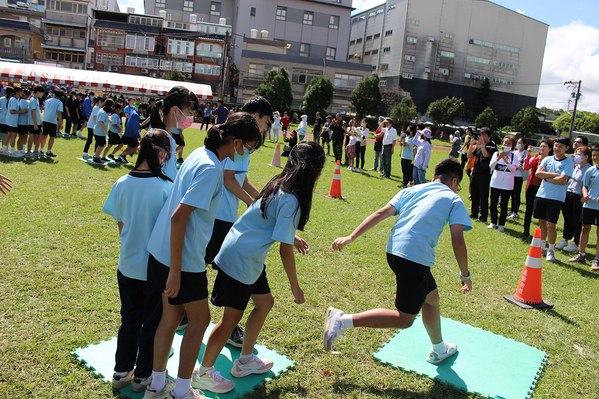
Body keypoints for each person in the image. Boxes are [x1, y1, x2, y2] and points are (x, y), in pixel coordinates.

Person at [143, 113, 261, 399]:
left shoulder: (201, 153)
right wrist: (175, 270)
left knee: (170, 318)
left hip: (162, 251)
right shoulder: (210, 168)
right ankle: (182, 391)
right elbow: (179, 217)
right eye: (248, 147)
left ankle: (156, 386)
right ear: (235, 142)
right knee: (200, 321)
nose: (246, 154)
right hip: (181, 260)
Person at [193, 142, 324, 394]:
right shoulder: (292, 199)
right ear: (312, 172)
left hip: (245, 253)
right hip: (242, 258)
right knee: (230, 320)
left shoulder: (278, 184)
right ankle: (204, 373)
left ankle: (244, 361)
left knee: (265, 303)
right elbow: (284, 251)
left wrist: (292, 236)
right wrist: (295, 287)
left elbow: (268, 219)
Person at [324, 158, 472, 363]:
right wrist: (465, 274)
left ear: (434, 176)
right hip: (414, 259)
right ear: (454, 181)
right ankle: (342, 321)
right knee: (404, 319)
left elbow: (381, 213)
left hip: (394, 252)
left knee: (432, 298)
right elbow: (458, 240)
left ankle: (439, 349)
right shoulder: (454, 199)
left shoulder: (411, 190)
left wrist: (351, 237)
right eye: (459, 186)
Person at [102, 130, 174, 393]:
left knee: (130, 319)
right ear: (162, 153)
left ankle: (121, 372)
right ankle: (143, 376)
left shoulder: (121, 182)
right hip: (155, 268)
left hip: (128, 264)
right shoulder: (167, 187)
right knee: (152, 324)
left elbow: (121, 224)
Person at [202, 96, 272, 349]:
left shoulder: (232, 131)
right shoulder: (240, 137)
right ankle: (229, 328)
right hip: (219, 215)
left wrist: (262, 199)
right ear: (254, 116)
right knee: (229, 272)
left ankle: (187, 315)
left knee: (203, 264)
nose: (265, 129)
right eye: (265, 122)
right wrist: (254, 205)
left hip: (219, 213)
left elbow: (240, 179)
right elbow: (230, 179)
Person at [534, 136, 574, 262]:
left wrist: (546, 177)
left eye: (561, 146)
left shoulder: (568, 163)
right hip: (542, 194)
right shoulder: (547, 159)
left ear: (567, 148)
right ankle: (542, 247)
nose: (557, 148)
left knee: (551, 224)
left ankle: (551, 250)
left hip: (556, 198)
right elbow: (537, 174)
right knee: (542, 222)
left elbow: (563, 180)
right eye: (556, 146)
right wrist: (555, 175)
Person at [570, 143, 599, 270]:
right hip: (588, 206)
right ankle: (581, 254)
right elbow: (585, 185)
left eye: (598, 155)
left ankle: (597, 259)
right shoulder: (590, 170)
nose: (596, 157)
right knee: (584, 228)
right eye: (594, 155)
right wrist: (585, 194)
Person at [557, 145, 591, 253]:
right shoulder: (575, 166)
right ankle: (565, 238)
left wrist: (583, 197)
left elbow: (587, 185)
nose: (576, 156)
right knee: (567, 217)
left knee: (577, 219)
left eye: (580, 154)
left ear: (586, 157)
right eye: (576, 153)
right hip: (569, 193)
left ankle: (575, 242)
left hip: (579, 196)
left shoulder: (588, 169)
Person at [488, 135, 519, 231]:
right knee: (493, 203)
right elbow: (491, 166)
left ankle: (501, 224)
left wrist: (507, 161)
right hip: (495, 182)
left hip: (507, 184)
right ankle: (493, 222)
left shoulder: (514, 156)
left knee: (504, 204)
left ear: (512, 145)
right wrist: (498, 159)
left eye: (509, 143)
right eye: (505, 143)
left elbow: (513, 170)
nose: (506, 145)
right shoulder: (496, 154)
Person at [522, 140, 552, 239]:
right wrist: (528, 155)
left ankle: (541, 234)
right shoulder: (536, 158)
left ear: (550, 149)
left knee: (541, 213)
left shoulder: (551, 161)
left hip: (544, 188)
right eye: (541, 146)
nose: (542, 148)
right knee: (529, 209)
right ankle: (526, 230)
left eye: (544, 146)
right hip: (532, 186)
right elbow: (526, 167)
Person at [468, 127, 497, 223]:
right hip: (476, 173)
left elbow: (486, 155)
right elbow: (470, 156)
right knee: (474, 194)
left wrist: (483, 143)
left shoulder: (491, 146)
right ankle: (474, 213)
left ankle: (483, 216)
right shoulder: (479, 146)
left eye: (484, 135)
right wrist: (471, 145)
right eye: (481, 135)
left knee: (483, 196)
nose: (482, 137)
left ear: (489, 136)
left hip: (485, 174)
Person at [508, 137, 528, 219]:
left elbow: (521, 164)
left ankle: (515, 211)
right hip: (512, 175)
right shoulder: (514, 152)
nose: (518, 144)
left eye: (520, 143)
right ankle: (512, 210)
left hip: (519, 176)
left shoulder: (525, 153)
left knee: (516, 194)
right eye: (518, 142)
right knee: (512, 193)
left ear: (524, 144)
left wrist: (514, 167)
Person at [40, 89, 64, 158]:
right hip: (52, 121)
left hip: (45, 119)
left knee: (44, 135)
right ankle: (48, 151)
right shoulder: (59, 103)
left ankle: (41, 149)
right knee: (52, 136)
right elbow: (59, 113)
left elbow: (45, 109)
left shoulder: (47, 100)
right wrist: (61, 123)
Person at [92, 99, 114, 164]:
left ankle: (97, 155)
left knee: (102, 144)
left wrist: (108, 120)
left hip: (98, 131)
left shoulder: (102, 110)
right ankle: (96, 158)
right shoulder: (103, 112)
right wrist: (105, 130)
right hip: (99, 131)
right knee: (101, 145)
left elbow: (102, 119)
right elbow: (100, 121)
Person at [26, 86, 45, 157]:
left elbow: (37, 113)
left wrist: (40, 121)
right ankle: (29, 151)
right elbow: (32, 112)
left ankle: (36, 150)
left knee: (39, 134)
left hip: (37, 122)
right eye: (41, 92)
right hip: (33, 122)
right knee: (32, 135)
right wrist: (35, 124)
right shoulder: (33, 100)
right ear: (37, 92)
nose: (42, 94)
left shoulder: (36, 99)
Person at [0, 86, 14, 155]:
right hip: (7, 119)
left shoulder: (1, 99)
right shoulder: (12, 99)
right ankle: (4, 148)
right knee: (7, 134)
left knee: (3, 134)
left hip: (1, 118)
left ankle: (3, 148)